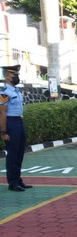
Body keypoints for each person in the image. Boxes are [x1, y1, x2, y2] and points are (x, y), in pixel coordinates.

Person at [1, 64, 31, 192]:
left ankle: (18, 180)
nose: (17, 77)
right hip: (11, 124)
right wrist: (3, 132)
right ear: (7, 76)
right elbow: (2, 113)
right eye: (15, 75)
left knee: (19, 154)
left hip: (19, 122)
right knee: (12, 154)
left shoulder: (16, 91)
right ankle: (12, 183)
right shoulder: (4, 93)